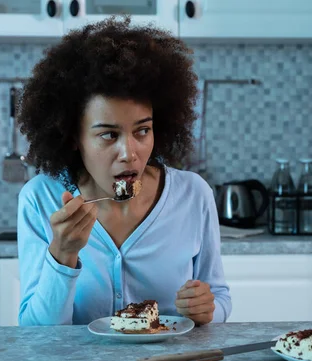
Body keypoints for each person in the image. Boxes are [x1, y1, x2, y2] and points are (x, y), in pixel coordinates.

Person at [15, 16, 231, 326]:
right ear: (74, 137)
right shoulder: (40, 199)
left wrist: (209, 309)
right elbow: (36, 333)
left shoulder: (193, 194)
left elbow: (219, 297)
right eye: (108, 135)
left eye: (142, 131)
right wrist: (62, 253)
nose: (129, 153)